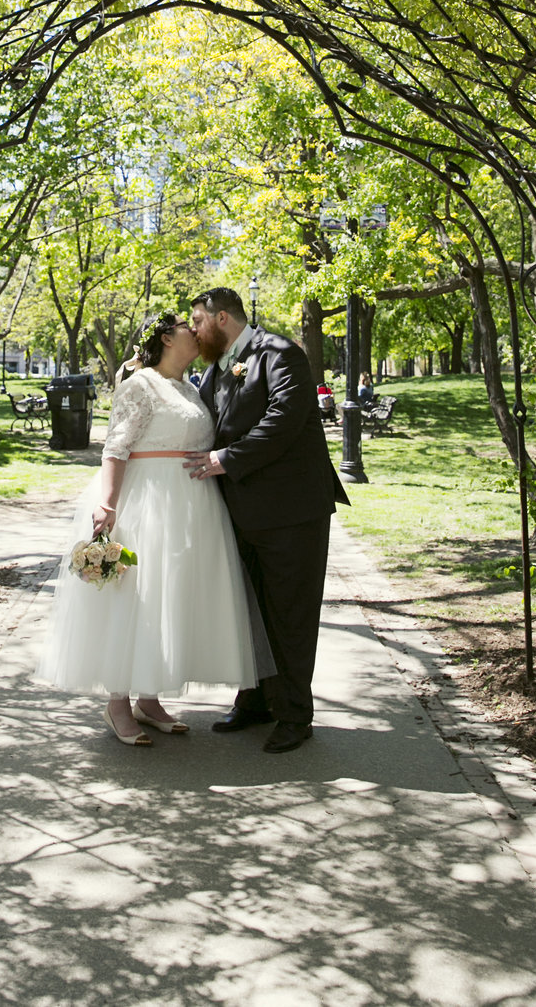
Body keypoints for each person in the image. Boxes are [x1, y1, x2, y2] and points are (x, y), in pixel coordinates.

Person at [36, 311, 267, 746]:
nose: (196, 332)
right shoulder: (138, 385)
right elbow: (115, 446)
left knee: (170, 597)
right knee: (135, 598)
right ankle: (118, 703)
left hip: (192, 504)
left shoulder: (191, 388)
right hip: (147, 501)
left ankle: (150, 698)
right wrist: (108, 503)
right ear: (165, 337)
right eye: (187, 327)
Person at [187, 287, 349, 754]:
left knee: (290, 615)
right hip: (239, 514)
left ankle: (296, 714)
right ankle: (254, 700)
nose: (194, 331)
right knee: (249, 611)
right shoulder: (215, 369)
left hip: (292, 512)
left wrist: (225, 459)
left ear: (221, 319)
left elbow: (283, 419)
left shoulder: (280, 353)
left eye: (197, 321)